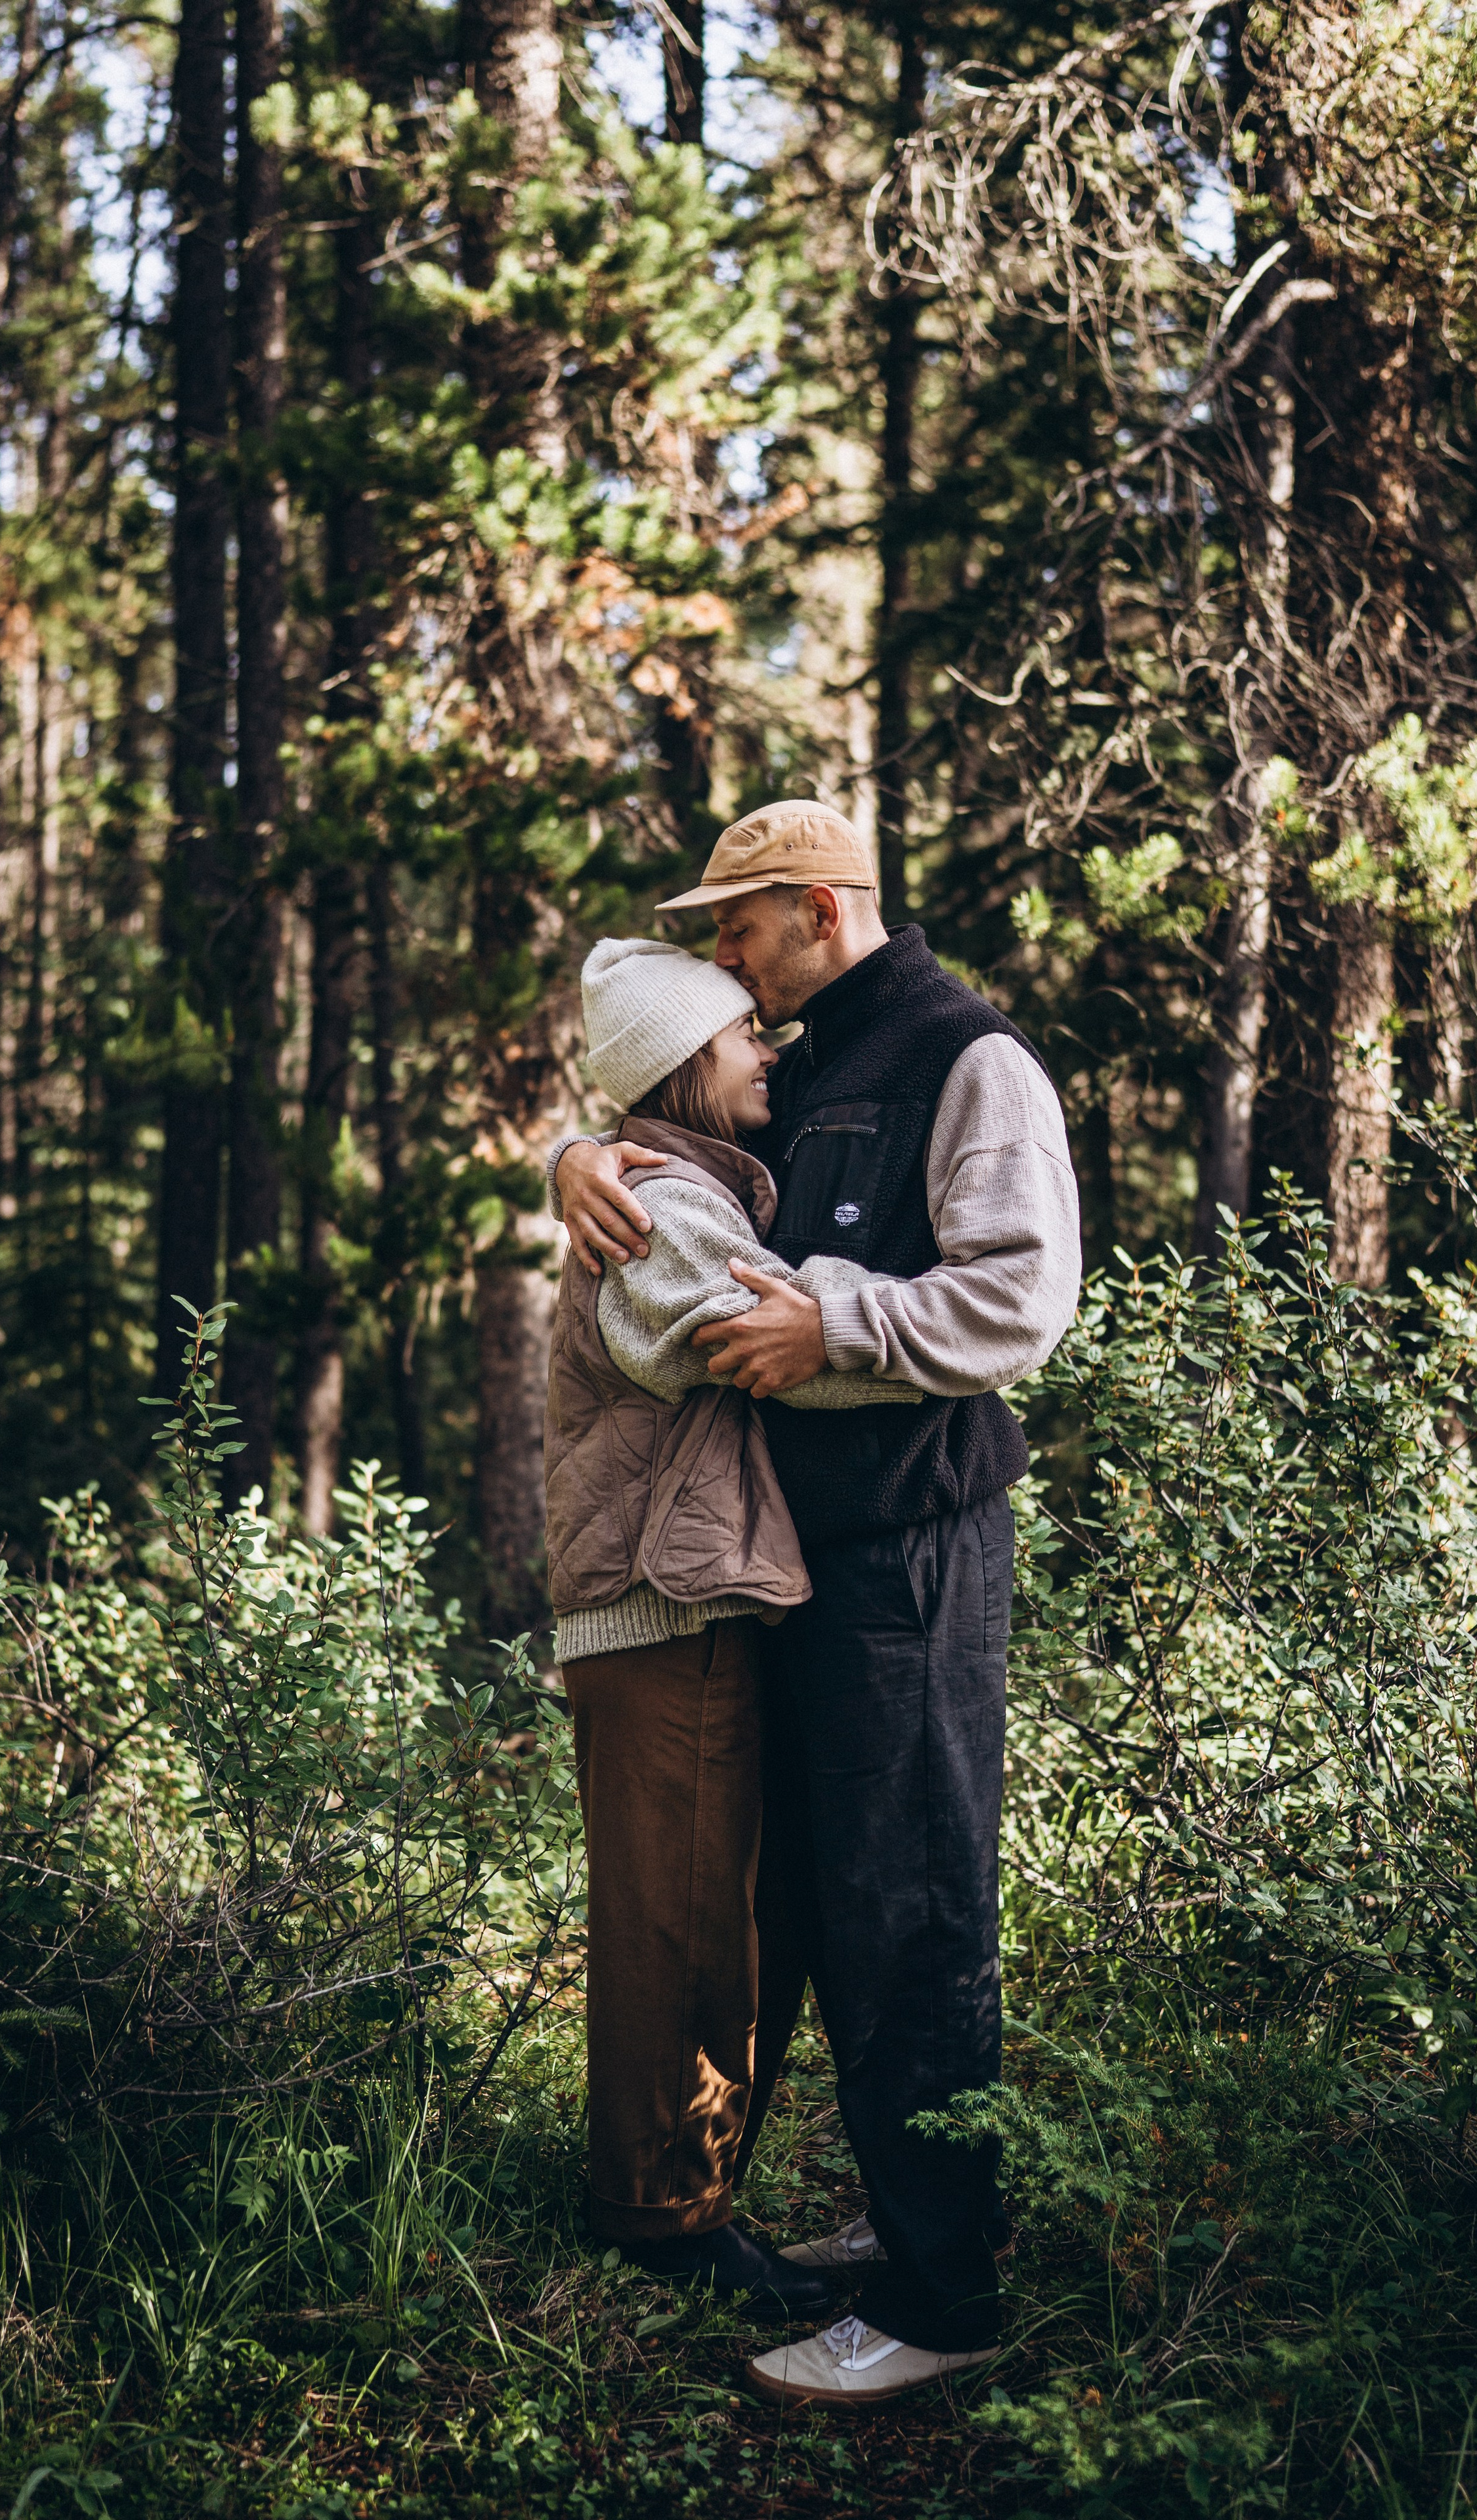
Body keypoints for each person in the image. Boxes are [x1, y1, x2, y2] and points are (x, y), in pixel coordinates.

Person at [551, 802, 1082, 2409]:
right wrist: (576, 1150)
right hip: (807, 1566)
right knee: (839, 1907)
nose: (721, 955)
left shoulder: (960, 1056)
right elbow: (686, 1181)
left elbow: (1018, 1298)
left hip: (914, 1544)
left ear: (819, 908)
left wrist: (829, 1330)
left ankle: (939, 2305)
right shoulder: (801, 1064)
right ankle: (913, 2220)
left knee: (914, 1908)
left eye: (737, 925)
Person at [545, 934, 922, 2318]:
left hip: (679, 1596)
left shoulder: (671, 1182)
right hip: (662, 1605)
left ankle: (676, 2195)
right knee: (681, 1923)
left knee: (712, 1913)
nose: (767, 1050)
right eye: (740, 1038)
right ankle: (659, 2225)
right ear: (684, 1072)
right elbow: (758, 1350)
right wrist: (927, 1355)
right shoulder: (665, 1207)